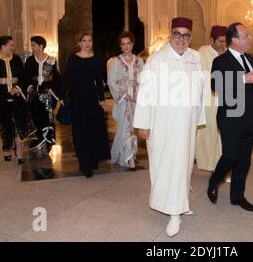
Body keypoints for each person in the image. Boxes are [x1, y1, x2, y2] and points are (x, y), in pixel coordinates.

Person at [133, 17, 205, 237]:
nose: (181, 39)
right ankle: (174, 212)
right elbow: (145, 94)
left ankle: (178, 205)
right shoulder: (156, 60)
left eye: (186, 35)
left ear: (190, 38)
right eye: (177, 34)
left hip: (186, 125)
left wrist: (197, 117)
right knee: (166, 165)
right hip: (163, 125)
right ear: (170, 35)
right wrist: (143, 124)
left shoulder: (196, 58)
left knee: (183, 165)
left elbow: (200, 91)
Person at [207, 22, 253, 212]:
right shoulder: (221, 61)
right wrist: (242, 79)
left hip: (249, 117)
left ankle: (237, 196)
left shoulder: (251, 60)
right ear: (234, 39)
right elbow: (215, 85)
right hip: (231, 117)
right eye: (246, 35)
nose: (250, 38)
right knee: (230, 155)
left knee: (244, 159)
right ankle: (214, 180)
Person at [59, 33, 110, 178]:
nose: (87, 43)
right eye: (84, 41)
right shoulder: (73, 59)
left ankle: (93, 159)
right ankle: (84, 164)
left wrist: (101, 99)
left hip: (92, 100)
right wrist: (62, 96)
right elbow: (67, 78)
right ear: (79, 43)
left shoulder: (96, 60)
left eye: (89, 41)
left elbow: (99, 81)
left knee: (93, 130)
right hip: (77, 100)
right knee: (80, 132)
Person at [0, 35, 36, 165]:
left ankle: (19, 153)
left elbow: (22, 78)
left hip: (17, 96)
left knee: (19, 123)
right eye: (11, 45)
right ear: (3, 46)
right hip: (0, 97)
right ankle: (6, 149)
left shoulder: (17, 59)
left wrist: (17, 88)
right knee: (6, 125)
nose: (13, 47)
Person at [107, 31, 144, 170]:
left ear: (132, 44)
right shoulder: (115, 62)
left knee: (129, 129)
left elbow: (144, 80)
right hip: (122, 101)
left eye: (128, 43)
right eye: (123, 44)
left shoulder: (140, 61)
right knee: (126, 129)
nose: (126, 46)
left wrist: (138, 94)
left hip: (135, 100)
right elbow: (111, 81)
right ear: (120, 46)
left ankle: (125, 155)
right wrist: (123, 94)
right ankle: (130, 160)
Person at [195, 25, 227, 172]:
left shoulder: (228, 53)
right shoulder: (202, 53)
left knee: (223, 135)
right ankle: (210, 164)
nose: (223, 45)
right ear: (211, 40)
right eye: (220, 41)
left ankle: (221, 166)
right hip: (209, 100)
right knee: (209, 134)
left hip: (225, 99)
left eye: (225, 41)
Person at [24, 36, 61, 153]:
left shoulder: (51, 60)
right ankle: (39, 143)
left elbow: (57, 79)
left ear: (41, 46)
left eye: (33, 45)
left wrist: (52, 90)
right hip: (34, 96)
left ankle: (47, 144)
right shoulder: (29, 60)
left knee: (47, 119)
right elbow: (25, 77)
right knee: (36, 119)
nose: (32, 47)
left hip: (47, 96)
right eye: (32, 45)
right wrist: (29, 86)